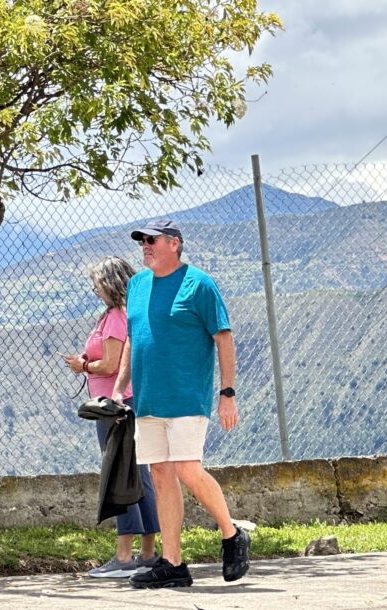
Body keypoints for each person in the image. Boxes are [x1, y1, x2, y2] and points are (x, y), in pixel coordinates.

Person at [110, 218, 250, 589]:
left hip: (187, 397)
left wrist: (228, 393)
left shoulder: (199, 284)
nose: (145, 246)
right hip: (148, 398)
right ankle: (173, 563)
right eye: (142, 241)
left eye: (152, 240)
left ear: (174, 243)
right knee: (160, 474)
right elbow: (132, 340)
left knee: (187, 469)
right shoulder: (137, 285)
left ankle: (231, 533)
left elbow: (224, 339)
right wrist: (118, 389)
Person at [62, 256, 161, 578]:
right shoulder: (119, 314)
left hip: (116, 405)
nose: (93, 289)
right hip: (129, 402)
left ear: (111, 283)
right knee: (139, 477)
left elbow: (111, 365)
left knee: (121, 478)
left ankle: (123, 557)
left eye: (97, 283)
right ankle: (147, 553)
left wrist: (83, 366)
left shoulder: (117, 317)